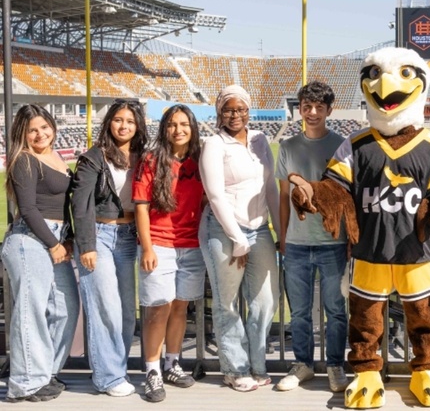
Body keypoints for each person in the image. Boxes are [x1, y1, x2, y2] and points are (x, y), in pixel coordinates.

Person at [198, 85, 281, 392]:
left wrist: (279, 231)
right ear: (219, 112)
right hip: (223, 230)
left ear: (249, 110)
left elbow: (269, 188)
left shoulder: (260, 139)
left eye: (241, 109)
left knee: (264, 301)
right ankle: (235, 367)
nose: (235, 115)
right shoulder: (213, 144)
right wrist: (237, 237)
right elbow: (216, 195)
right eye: (229, 109)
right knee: (227, 303)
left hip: (259, 229)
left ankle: (258, 364)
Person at [1, 105, 79, 402]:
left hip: (55, 237)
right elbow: (29, 208)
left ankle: (45, 373)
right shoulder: (24, 160)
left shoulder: (57, 156)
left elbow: (66, 205)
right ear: (23, 133)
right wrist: (53, 243)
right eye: (32, 130)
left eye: (44, 127)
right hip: (30, 240)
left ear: (53, 127)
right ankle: (24, 383)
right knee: (30, 311)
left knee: (66, 307)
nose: (40, 134)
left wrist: (67, 238)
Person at [274, 81, 349, 393]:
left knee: (335, 310)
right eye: (307, 107)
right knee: (300, 312)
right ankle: (303, 364)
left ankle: (335, 365)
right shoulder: (288, 148)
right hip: (297, 244)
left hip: (334, 243)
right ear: (300, 109)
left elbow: (347, 197)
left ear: (330, 110)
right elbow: (283, 197)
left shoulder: (343, 145)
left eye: (319, 107)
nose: (313, 112)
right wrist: (282, 236)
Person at [72, 99, 148, 397]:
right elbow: (80, 205)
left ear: (138, 125)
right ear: (109, 123)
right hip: (99, 236)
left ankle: (117, 368)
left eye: (130, 120)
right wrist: (87, 244)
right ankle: (107, 377)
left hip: (128, 236)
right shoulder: (94, 158)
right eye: (118, 119)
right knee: (107, 309)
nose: (124, 125)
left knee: (127, 311)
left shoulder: (142, 157)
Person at [133, 105, 205, 402]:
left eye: (184, 124)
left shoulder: (200, 161)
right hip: (159, 246)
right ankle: (152, 370)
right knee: (157, 309)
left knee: (179, 308)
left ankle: (172, 362)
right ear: (165, 128)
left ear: (193, 127)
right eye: (173, 124)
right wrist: (147, 246)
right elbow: (141, 205)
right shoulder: (151, 160)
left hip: (192, 246)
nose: (178, 130)